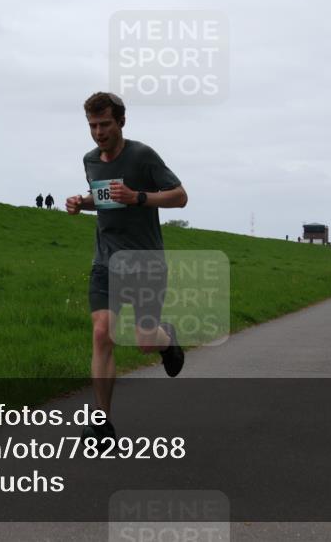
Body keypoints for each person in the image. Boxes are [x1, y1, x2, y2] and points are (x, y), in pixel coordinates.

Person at [65, 92, 188, 441]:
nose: (99, 132)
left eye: (105, 124)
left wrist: (139, 197)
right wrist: (81, 202)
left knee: (144, 339)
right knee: (102, 333)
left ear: (121, 121)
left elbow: (180, 195)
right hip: (106, 261)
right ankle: (102, 424)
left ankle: (166, 341)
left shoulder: (142, 156)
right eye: (93, 125)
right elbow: (105, 201)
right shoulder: (90, 160)